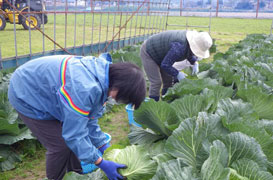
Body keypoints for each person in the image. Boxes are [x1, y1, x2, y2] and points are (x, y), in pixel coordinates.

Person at [8, 54, 146, 180]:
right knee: (60, 146)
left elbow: (89, 122)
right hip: (26, 93)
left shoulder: (102, 78)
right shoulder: (84, 88)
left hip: (45, 89)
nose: (118, 101)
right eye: (123, 99)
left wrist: (104, 146)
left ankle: (74, 175)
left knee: (71, 143)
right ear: (118, 87)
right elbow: (74, 135)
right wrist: (101, 163)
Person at [140, 30, 213, 101]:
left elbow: (188, 51)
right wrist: (177, 73)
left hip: (162, 54)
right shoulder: (179, 47)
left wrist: (194, 63)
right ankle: (153, 104)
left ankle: (166, 101)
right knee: (156, 82)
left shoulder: (187, 43)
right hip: (149, 52)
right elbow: (165, 65)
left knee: (168, 80)